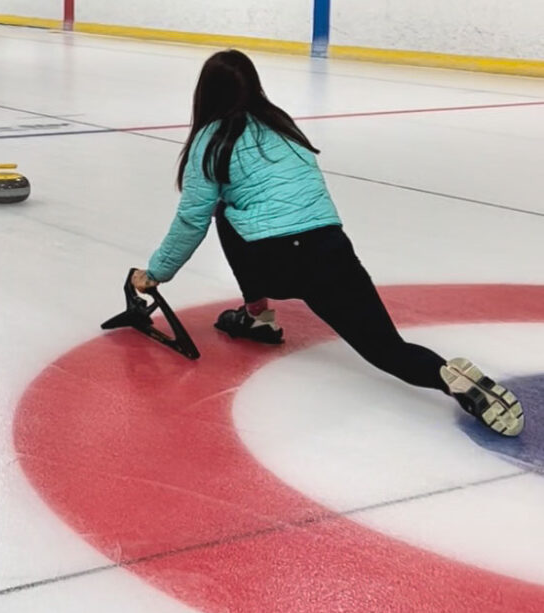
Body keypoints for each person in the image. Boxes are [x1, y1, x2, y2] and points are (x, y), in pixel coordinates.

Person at [133, 49, 525, 438]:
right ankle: (444, 375)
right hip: (330, 249)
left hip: (274, 262)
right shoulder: (281, 124)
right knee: (387, 348)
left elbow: (191, 220)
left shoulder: (210, 140)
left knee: (223, 211)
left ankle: (258, 314)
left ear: (206, 94)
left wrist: (155, 274)